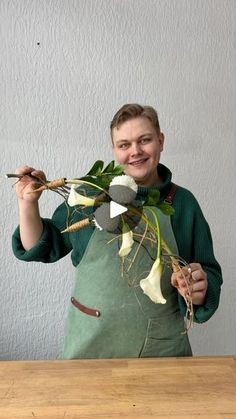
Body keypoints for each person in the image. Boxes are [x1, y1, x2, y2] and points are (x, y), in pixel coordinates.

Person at [12, 103, 223, 358]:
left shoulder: (183, 203)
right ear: (114, 150)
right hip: (90, 349)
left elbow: (208, 272)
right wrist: (28, 203)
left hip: (162, 354)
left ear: (160, 141)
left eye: (144, 140)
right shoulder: (90, 194)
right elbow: (42, 246)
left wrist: (199, 288)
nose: (135, 151)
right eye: (124, 144)